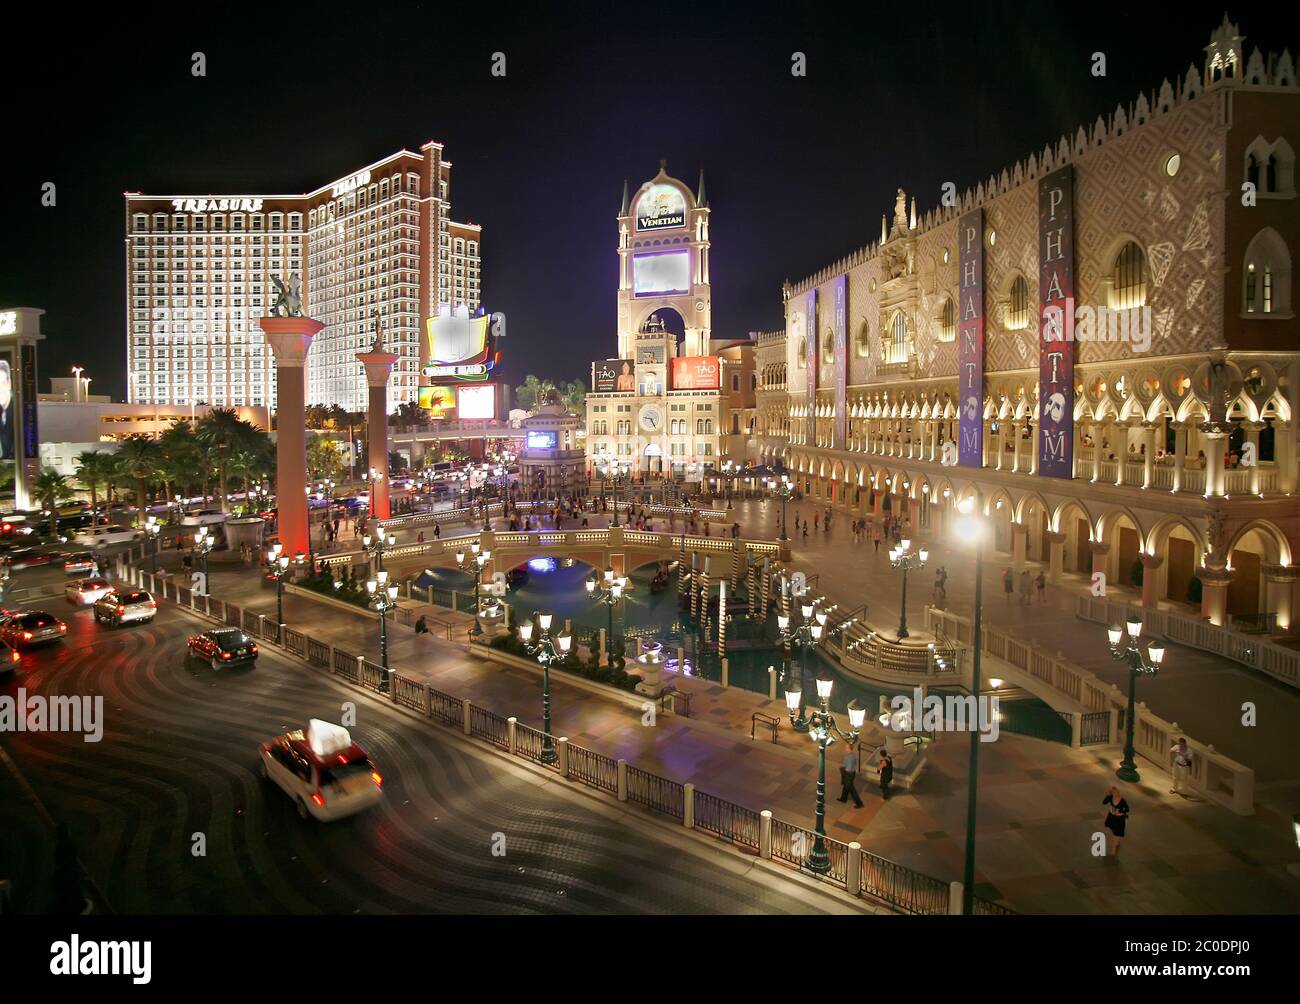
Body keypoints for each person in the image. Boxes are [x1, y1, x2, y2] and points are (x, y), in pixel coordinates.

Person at [1102, 786, 1129, 857]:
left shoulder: (1122, 800)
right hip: (1111, 817)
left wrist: (1120, 812)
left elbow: (1127, 809)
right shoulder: (1110, 798)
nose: (1115, 793)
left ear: (1118, 792)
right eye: (1113, 792)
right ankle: (1118, 840)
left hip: (1119, 819)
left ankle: (1113, 850)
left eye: (1116, 792)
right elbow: (1104, 802)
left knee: (1116, 834)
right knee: (1114, 831)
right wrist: (1108, 795)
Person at [837, 743, 864, 808]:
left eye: (846, 747)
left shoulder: (849, 757)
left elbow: (848, 769)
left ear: (849, 748)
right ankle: (843, 799)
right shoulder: (853, 755)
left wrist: (842, 770)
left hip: (848, 775)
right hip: (852, 774)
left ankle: (859, 803)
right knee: (846, 787)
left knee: (852, 790)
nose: (845, 748)